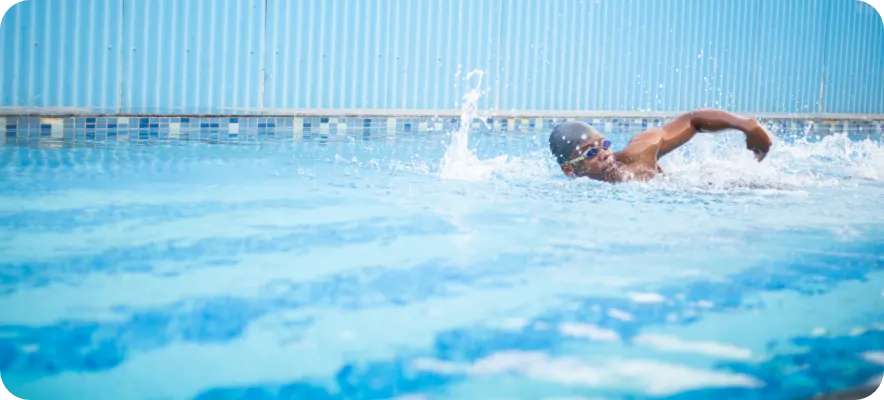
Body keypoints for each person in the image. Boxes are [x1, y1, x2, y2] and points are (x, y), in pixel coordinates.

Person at [548, 109, 773, 183]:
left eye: (604, 144)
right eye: (591, 152)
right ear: (569, 169)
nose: (605, 154)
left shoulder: (638, 154)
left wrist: (745, 125)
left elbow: (692, 121)